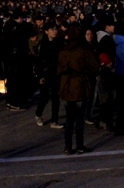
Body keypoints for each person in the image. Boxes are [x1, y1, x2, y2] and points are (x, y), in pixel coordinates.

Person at [58, 25, 99, 154]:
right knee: (79, 118)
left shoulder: (63, 51)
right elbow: (94, 67)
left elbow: (58, 69)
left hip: (66, 86)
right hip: (79, 85)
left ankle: (68, 146)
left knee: (69, 118)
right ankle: (79, 145)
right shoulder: (83, 51)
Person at [35, 21, 64, 128]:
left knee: (56, 97)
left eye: (55, 29)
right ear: (46, 32)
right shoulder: (42, 44)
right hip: (46, 73)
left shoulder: (58, 43)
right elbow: (39, 61)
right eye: (52, 30)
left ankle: (54, 120)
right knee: (45, 97)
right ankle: (38, 114)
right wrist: (40, 75)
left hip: (56, 73)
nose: (54, 32)